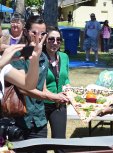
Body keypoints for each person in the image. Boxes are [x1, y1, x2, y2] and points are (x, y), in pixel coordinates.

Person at [11, 16, 69, 152]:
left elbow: (42, 88)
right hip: (20, 119)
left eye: (43, 34)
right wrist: (50, 97)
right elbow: (23, 89)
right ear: (26, 32)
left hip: (39, 120)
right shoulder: (19, 55)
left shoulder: (43, 57)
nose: (39, 37)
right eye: (34, 33)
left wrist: (58, 96)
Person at [42, 26, 70, 153]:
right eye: (51, 39)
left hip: (59, 105)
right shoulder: (40, 57)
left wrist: (68, 85)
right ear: (45, 40)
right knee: (40, 143)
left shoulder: (64, 57)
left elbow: (66, 77)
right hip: (41, 104)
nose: (55, 42)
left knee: (60, 144)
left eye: (58, 40)